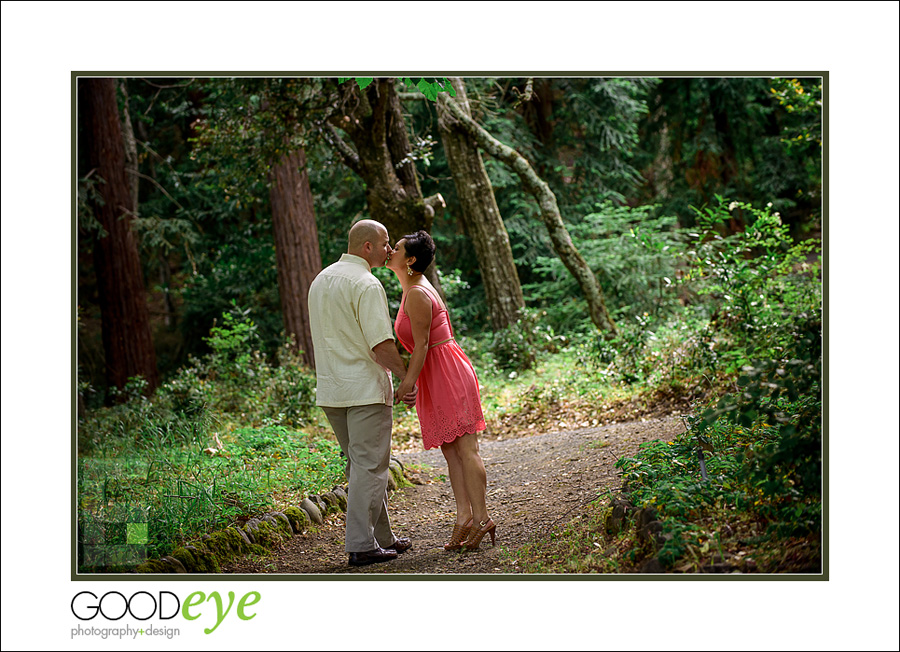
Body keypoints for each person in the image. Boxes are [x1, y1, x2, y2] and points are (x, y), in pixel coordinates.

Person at [307, 219, 416, 567]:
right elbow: (381, 344)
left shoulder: (320, 280)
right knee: (370, 467)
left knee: (363, 467)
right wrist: (407, 377)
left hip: (332, 390)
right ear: (367, 246)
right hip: (365, 389)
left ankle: (382, 538)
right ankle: (361, 545)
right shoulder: (367, 284)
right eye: (385, 243)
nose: (389, 249)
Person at [387, 230, 496, 551]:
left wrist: (408, 383)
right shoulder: (411, 288)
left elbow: (420, 345)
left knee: (466, 449)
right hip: (437, 372)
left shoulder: (418, 293)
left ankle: (482, 517)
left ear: (409, 260)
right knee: (451, 451)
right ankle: (464, 517)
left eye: (396, 248)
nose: (390, 250)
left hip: (446, 371)